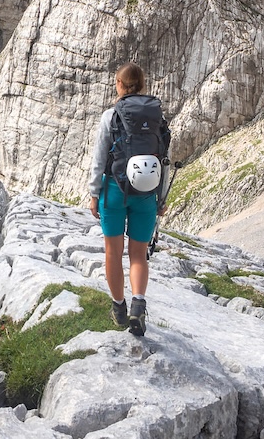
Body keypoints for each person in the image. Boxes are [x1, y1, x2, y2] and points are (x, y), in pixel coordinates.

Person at [88, 62, 170, 337]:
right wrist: (160, 196)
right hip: (147, 193)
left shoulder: (110, 117)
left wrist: (93, 193)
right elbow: (163, 160)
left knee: (113, 252)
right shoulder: (157, 118)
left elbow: (100, 159)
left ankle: (119, 308)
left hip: (113, 190)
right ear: (143, 85)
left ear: (119, 85)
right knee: (138, 254)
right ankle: (138, 304)